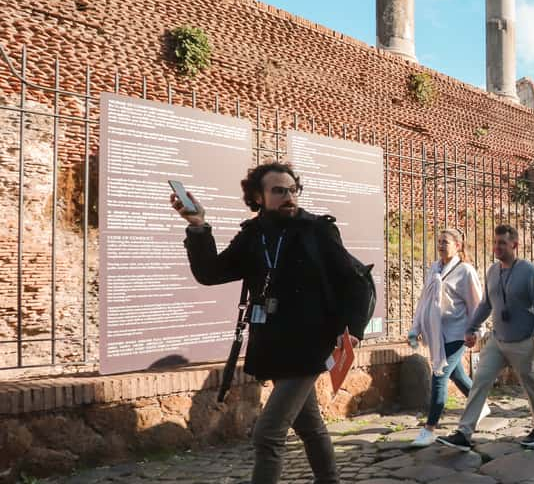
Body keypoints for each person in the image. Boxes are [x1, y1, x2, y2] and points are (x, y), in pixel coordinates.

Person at [173, 162, 368, 484]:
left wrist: (353, 330)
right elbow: (210, 273)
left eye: (292, 190)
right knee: (309, 425)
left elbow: (354, 282)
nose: (288, 196)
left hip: (311, 344)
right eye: (279, 191)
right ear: (258, 196)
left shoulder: (317, 230)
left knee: (268, 434)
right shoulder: (253, 235)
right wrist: (198, 226)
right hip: (273, 345)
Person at [438, 225, 534, 451]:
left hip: (524, 341)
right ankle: (464, 432)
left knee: (531, 386)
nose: (497, 247)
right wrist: (471, 327)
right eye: (495, 242)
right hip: (497, 342)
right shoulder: (492, 271)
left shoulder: (529, 272)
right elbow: (486, 304)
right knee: (480, 382)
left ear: (514, 245)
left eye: (502, 243)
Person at [408, 229, 486, 448]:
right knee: (457, 375)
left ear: (458, 245)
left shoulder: (466, 271)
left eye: (446, 242)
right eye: (439, 242)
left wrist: (476, 331)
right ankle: (480, 404)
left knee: (439, 375)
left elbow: (477, 305)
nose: (441, 245)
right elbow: (425, 299)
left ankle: (429, 429)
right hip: (437, 334)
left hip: (458, 333)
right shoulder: (434, 268)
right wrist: (415, 328)